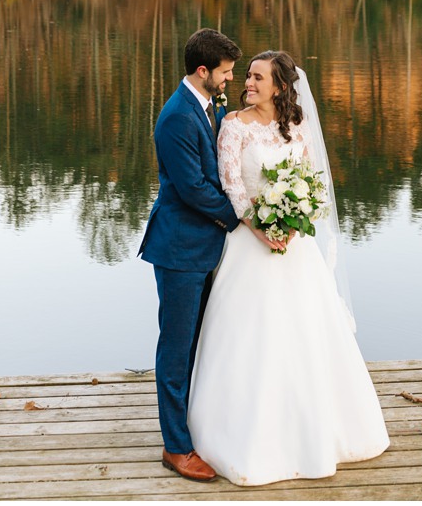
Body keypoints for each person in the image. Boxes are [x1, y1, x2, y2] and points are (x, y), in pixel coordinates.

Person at [187, 50, 390, 485]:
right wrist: (260, 228)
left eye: (259, 78)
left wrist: (294, 223)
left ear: (280, 87)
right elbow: (232, 185)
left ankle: (316, 431)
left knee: (306, 333)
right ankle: (242, 436)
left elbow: (312, 183)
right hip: (248, 242)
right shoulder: (233, 126)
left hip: (294, 247)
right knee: (250, 336)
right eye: (248, 76)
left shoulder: (297, 128)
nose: (249, 83)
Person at [138, 27, 246, 482]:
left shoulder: (205, 106)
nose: (229, 81)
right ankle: (176, 447)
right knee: (177, 347)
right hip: (180, 248)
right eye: (224, 74)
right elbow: (195, 190)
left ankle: (196, 427)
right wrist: (242, 217)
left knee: (202, 342)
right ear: (202, 71)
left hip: (204, 247)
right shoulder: (177, 117)